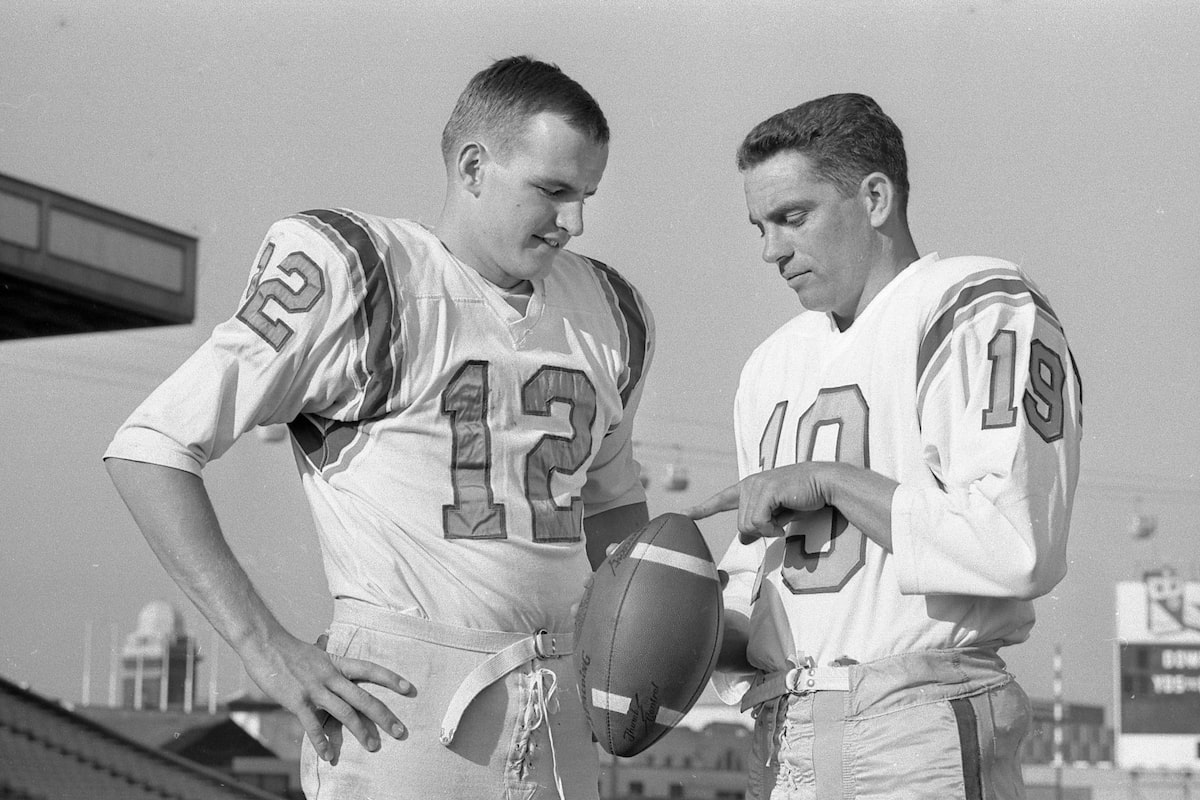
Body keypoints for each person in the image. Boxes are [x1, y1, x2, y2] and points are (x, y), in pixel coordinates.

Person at [105, 56, 654, 800]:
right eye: (553, 191)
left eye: (586, 195)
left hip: (562, 711)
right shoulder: (362, 272)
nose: (575, 221)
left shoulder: (609, 311)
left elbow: (612, 504)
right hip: (403, 708)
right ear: (472, 167)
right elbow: (152, 447)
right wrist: (263, 647)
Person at [685, 93, 1082, 799]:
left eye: (792, 217)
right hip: (782, 731)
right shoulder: (769, 365)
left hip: (918, 722)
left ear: (874, 197)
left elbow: (1016, 544)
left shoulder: (975, 304)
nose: (771, 249)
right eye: (760, 225)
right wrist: (667, 623)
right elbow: (769, 594)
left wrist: (836, 482)